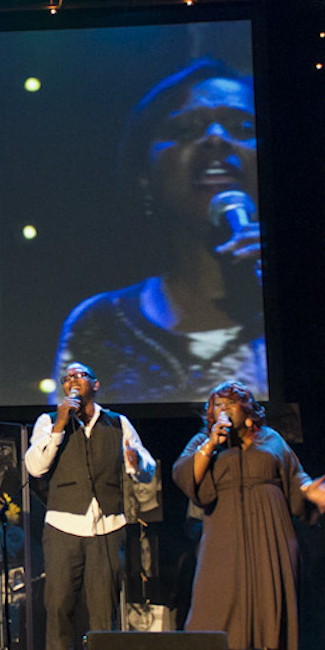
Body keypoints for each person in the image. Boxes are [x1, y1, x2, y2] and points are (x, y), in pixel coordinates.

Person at [53, 59, 265, 403]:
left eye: (242, 127)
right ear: (144, 176)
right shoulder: (100, 323)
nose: (216, 139)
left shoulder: (309, 293)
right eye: (185, 130)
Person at [172, 381, 325, 650]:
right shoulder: (203, 442)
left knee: (273, 601)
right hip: (223, 532)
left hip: (271, 530)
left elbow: (296, 477)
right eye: (216, 406)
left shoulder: (272, 439)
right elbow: (186, 475)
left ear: (247, 411)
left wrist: (314, 492)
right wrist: (211, 443)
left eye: (229, 404)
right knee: (215, 604)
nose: (222, 410)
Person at [25, 362, 156, 650]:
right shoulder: (48, 422)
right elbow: (35, 467)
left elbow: (146, 469)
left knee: (103, 613)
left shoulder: (118, 423)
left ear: (95, 384)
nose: (72, 381)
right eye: (67, 377)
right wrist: (60, 428)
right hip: (63, 525)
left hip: (107, 526)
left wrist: (137, 460)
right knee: (58, 608)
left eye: (79, 375)